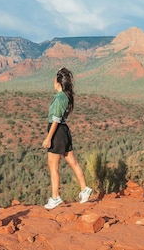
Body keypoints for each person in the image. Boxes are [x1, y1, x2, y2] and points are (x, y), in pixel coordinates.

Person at [42, 67, 92, 209]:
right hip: (64, 131)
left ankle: (55, 197)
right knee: (73, 163)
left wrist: (48, 138)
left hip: (57, 132)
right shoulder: (66, 96)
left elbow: (56, 119)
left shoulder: (59, 98)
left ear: (58, 81)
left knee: (53, 167)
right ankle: (84, 189)